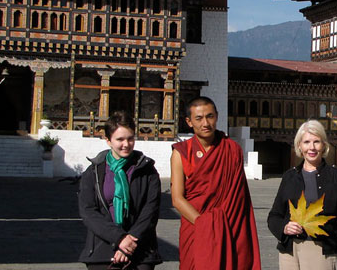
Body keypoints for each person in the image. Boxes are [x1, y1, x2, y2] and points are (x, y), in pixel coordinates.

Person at [170, 96, 261, 269]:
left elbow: (238, 197)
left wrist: (222, 227)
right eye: (199, 118)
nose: (206, 123)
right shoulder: (181, 153)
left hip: (230, 225)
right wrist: (204, 225)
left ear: (217, 116)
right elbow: (177, 198)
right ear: (189, 122)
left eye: (210, 116)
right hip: (196, 226)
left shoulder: (231, 149)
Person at [267, 120, 337, 270]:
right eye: (307, 142)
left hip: (322, 252)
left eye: (317, 142)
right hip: (289, 251)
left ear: (324, 145)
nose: (312, 147)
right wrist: (284, 227)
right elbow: (274, 216)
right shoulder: (289, 177)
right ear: (299, 146)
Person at [78, 111, 162, 270]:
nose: (126, 144)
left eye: (130, 138)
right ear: (108, 140)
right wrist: (119, 238)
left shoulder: (147, 171)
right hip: (103, 248)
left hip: (140, 248)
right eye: (120, 139)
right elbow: (88, 211)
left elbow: (150, 210)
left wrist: (130, 241)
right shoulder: (94, 172)